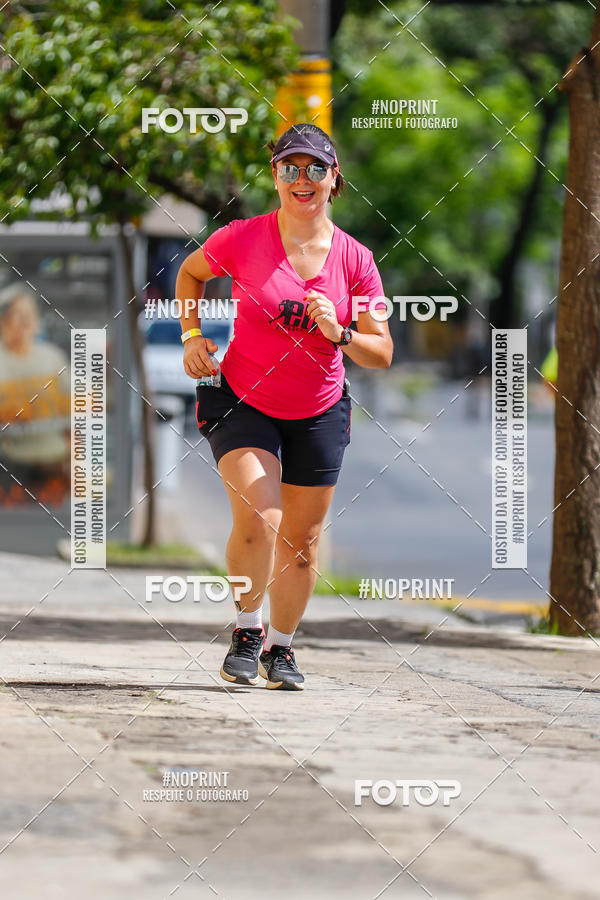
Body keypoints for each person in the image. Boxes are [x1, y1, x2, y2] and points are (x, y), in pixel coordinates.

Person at [175, 123, 393, 691]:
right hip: (242, 399)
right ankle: (247, 631)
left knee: (302, 541)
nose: (303, 179)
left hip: (319, 410)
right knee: (262, 516)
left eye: (315, 169)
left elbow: (381, 351)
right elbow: (191, 273)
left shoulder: (356, 260)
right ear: (275, 175)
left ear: (333, 179)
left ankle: (282, 650)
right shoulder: (243, 237)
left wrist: (339, 331)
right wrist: (191, 335)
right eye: (291, 168)